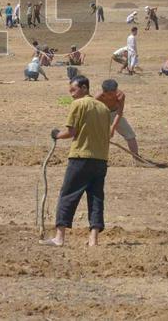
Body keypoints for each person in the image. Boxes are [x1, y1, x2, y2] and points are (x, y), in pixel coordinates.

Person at [42, 75, 111, 247]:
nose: (72, 94)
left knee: (68, 195)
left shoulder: (78, 104)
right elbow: (108, 134)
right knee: (96, 198)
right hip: (101, 159)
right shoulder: (104, 108)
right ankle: (93, 239)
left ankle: (59, 237)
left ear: (85, 88)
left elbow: (71, 132)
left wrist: (57, 134)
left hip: (81, 157)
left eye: (74, 90)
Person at [95, 79, 139, 158]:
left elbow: (119, 113)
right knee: (96, 136)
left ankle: (136, 157)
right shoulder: (98, 97)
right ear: (103, 92)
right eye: (109, 94)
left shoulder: (120, 96)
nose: (111, 96)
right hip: (102, 114)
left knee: (130, 135)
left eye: (113, 93)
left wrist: (112, 128)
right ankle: (96, 157)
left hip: (115, 113)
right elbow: (94, 112)